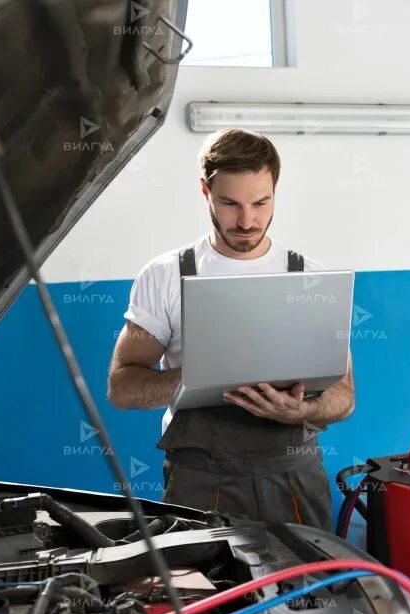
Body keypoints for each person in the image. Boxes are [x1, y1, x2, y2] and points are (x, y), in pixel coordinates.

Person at [108, 128, 354, 530]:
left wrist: (302, 410)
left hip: (295, 479)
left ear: (276, 189)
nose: (246, 220)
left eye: (261, 202)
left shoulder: (310, 279)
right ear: (205, 192)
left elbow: (343, 396)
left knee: (305, 589)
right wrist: (198, 379)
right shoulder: (165, 277)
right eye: (229, 203)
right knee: (213, 589)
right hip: (202, 482)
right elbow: (122, 387)